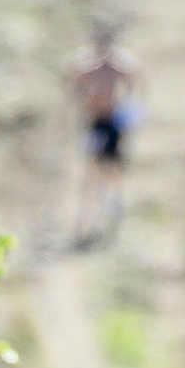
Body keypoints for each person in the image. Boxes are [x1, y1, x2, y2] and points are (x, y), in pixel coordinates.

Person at [69, 20, 140, 245]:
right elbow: (75, 81)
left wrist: (128, 108)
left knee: (113, 164)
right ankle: (92, 211)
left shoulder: (117, 65)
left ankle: (114, 206)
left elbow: (134, 80)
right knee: (93, 164)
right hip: (95, 121)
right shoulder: (88, 66)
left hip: (112, 121)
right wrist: (83, 99)